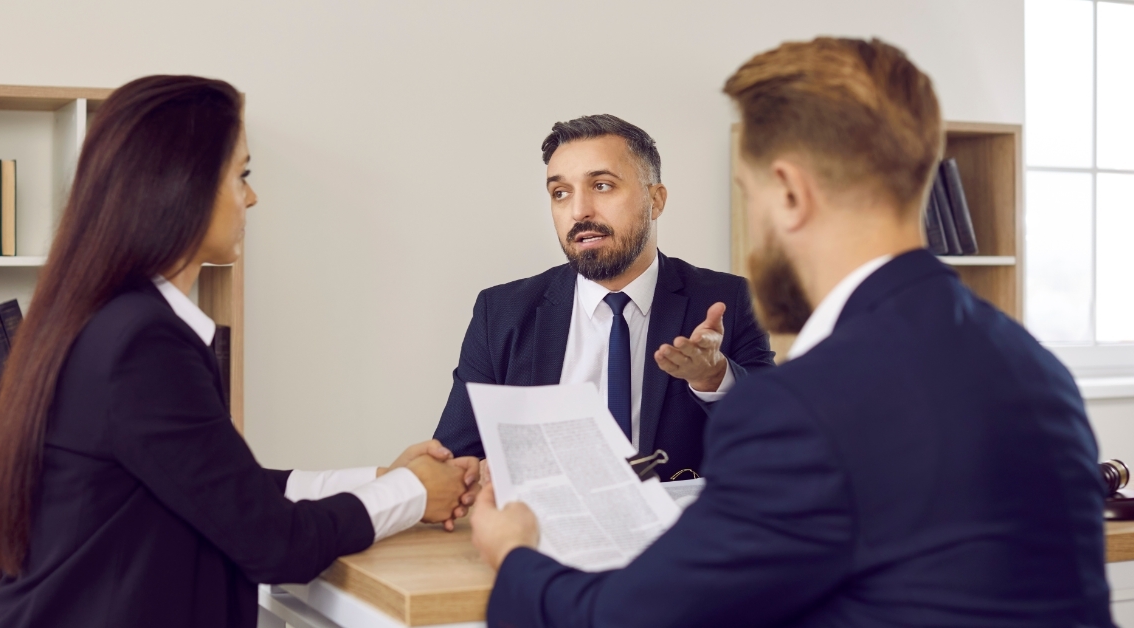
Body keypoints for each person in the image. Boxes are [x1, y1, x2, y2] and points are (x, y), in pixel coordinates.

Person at [470, 37, 1112, 627]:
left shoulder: (803, 409)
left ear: (790, 195)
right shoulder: (1036, 367)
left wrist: (513, 556)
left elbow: (627, 622)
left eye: (748, 193)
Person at [0, 75, 478, 628]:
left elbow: (218, 483)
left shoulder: (109, 317)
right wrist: (412, 492)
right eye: (241, 175)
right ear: (182, 185)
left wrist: (382, 476)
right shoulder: (142, 342)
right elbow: (273, 544)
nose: (253, 196)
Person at [433, 115, 775, 481]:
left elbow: (777, 439)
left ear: (655, 200)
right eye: (560, 193)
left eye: (602, 185)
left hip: (684, 530)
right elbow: (455, 456)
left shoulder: (728, 301)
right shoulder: (501, 313)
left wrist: (714, 378)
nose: (579, 211)